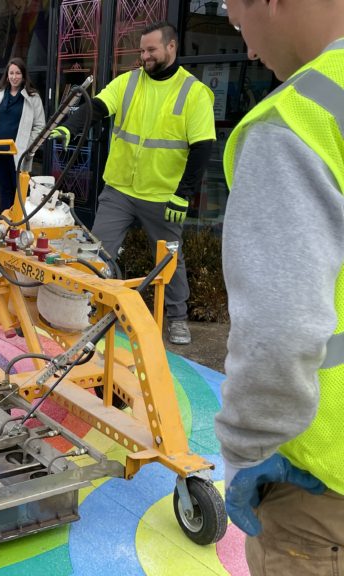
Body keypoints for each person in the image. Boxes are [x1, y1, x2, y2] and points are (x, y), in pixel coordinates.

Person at [214, 1, 344, 573]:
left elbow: (278, 331)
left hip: (320, 491)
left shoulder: (296, 122)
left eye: (241, 24)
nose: (248, 49)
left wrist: (247, 453)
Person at [51, 22, 215, 345]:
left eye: (151, 50)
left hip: (162, 195)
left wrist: (183, 195)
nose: (145, 56)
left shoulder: (193, 92)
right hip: (120, 190)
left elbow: (202, 147)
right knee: (100, 251)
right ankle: (92, 308)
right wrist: (71, 126)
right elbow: (97, 107)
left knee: (170, 258)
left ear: (171, 47)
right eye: (142, 50)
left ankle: (178, 316)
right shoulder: (128, 83)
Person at [0, 57, 45, 211]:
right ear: (7, 75)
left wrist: (28, 147)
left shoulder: (32, 97)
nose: (14, 76)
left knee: (20, 191)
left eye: (18, 73)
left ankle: (19, 224)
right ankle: (6, 223)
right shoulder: (0, 93)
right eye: (11, 73)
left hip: (18, 153)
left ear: (23, 75)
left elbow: (40, 127)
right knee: (5, 189)